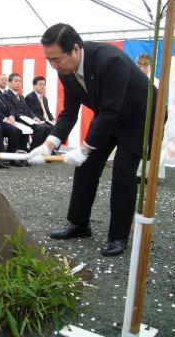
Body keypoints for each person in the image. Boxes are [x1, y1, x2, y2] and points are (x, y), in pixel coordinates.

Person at [28, 23, 159, 257]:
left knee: (123, 171)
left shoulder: (110, 60)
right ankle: (79, 224)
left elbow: (110, 110)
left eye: (56, 59)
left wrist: (85, 147)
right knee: (86, 166)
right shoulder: (65, 70)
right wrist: (48, 145)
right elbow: (69, 111)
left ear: (76, 49)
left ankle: (118, 236)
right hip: (110, 116)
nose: (53, 66)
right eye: (49, 60)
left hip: (142, 116)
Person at [0, 76, 27, 167]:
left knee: (22, 129)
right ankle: (5, 158)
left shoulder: (0, 94)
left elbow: (10, 107)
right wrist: (5, 119)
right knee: (13, 130)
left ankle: (17, 156)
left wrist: (11, 116)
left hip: (6, 119)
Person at [4, 73, 52, 151]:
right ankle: (32, 151)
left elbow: (28, 110)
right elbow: (10, 110)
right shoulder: (6, 95)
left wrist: (34, 117)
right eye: (16, 81)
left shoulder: (21, 96)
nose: (18, 83)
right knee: (40, 128)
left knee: (45, 127)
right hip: (16, 119)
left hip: (26, 118)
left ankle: (38, 151)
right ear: (9, 83)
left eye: (20, 81)